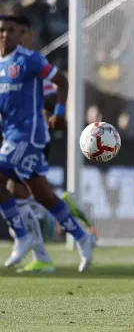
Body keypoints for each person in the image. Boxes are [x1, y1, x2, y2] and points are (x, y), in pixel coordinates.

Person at [0, 15, 93, 272]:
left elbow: (57, 86)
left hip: (29, 135)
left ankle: (23, 237)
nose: (6, 34)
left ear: (24, 33)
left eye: (11, 30)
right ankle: (81, 236)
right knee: (38, 193)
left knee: (13, 188)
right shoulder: (2, 66)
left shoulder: (30, 61)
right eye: (2, 30)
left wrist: (59, 113)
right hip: (12, 136)